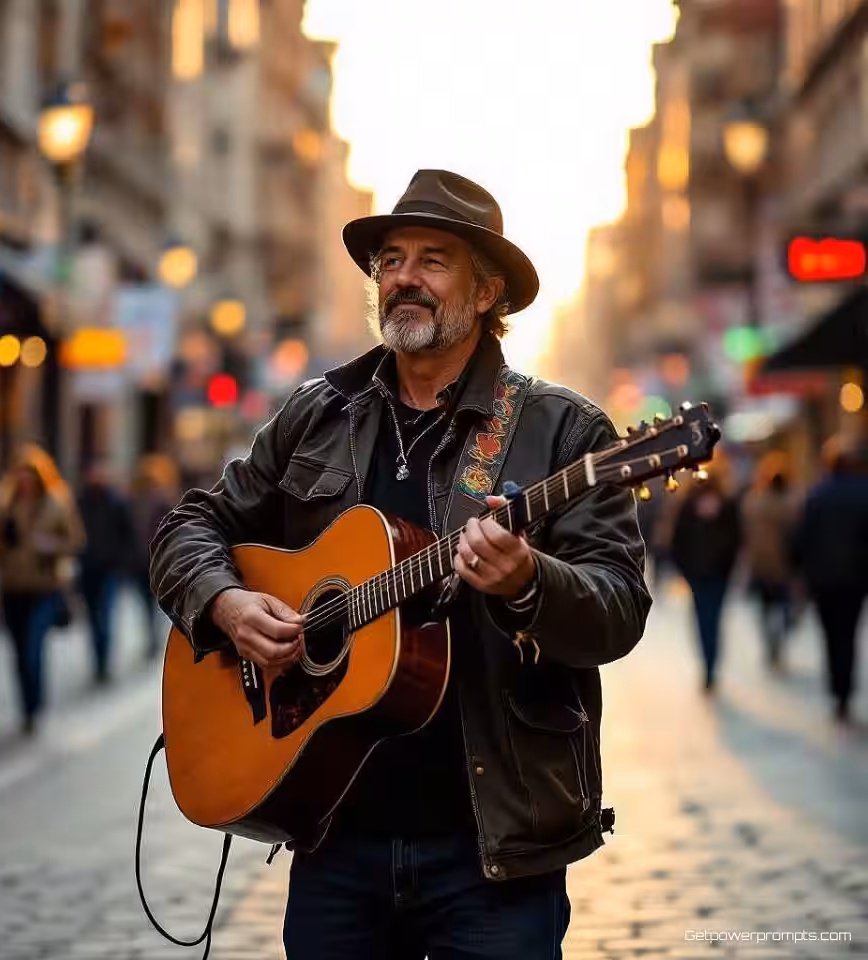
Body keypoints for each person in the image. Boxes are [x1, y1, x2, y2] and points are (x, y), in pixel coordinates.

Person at [150, 171, 651, 959]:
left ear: (488, 293)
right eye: (389, 259)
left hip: (491, 855)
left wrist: (529, 583)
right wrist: (226, 605)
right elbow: (192, 524)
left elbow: (619, 607)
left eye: (433, 260)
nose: (403, 278)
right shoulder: (317, 415)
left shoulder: (564, 432)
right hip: (332, 837)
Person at [0, 445, 85, 734]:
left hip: (44, 588)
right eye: (20, 475)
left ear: (40, 477)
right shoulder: (4, 506)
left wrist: (51, 546)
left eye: (30, 475)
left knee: (32, 648)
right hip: (12, 587)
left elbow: (76, 541)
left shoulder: (57, 503)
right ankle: (26, 705)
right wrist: (2, 543)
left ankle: (35, 706)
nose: (24, 481)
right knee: (17, 652)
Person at [795, 436, 868, 725]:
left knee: (829, 634)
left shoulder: (817, 495)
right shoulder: (863, 493)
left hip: (822, 578)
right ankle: (845, 690)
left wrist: (800, 569)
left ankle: (837, 688)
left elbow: (802, 539)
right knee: (848, 633)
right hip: (855, 578)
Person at [669, 459, 741, 692]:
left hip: (698, 574)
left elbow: (677, 541)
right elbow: (736, 539)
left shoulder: (688, 504)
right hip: (717, 574)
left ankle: (708, 665)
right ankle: (711, 664)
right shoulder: (727, 503)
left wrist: (685, 570)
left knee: (702, 619)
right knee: (714, 619)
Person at [741, 452, 800, 671]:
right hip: (785, 566)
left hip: (760, 565)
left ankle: (771, 642)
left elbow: (746, 534)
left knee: (765, 609)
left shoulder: (753, 502)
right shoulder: (793, 503)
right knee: (785, 607)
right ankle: (778, 642)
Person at [77, 462, 135, 684]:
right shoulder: (81, 502)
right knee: (92, 617)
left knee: (106, 615)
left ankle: (104, 662)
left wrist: (121, 562)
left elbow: (127, 534)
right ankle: (98, 660)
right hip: (88, 569)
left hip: (110, 568)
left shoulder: (117, 502)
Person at [129, 455, 179, 660]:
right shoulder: (133, 501)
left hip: (159, 561)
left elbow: (174, 530)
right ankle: (152, 636)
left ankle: (158, 637)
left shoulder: (165, 502)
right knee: (145, 603)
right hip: (140, 562)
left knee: (159, 602)